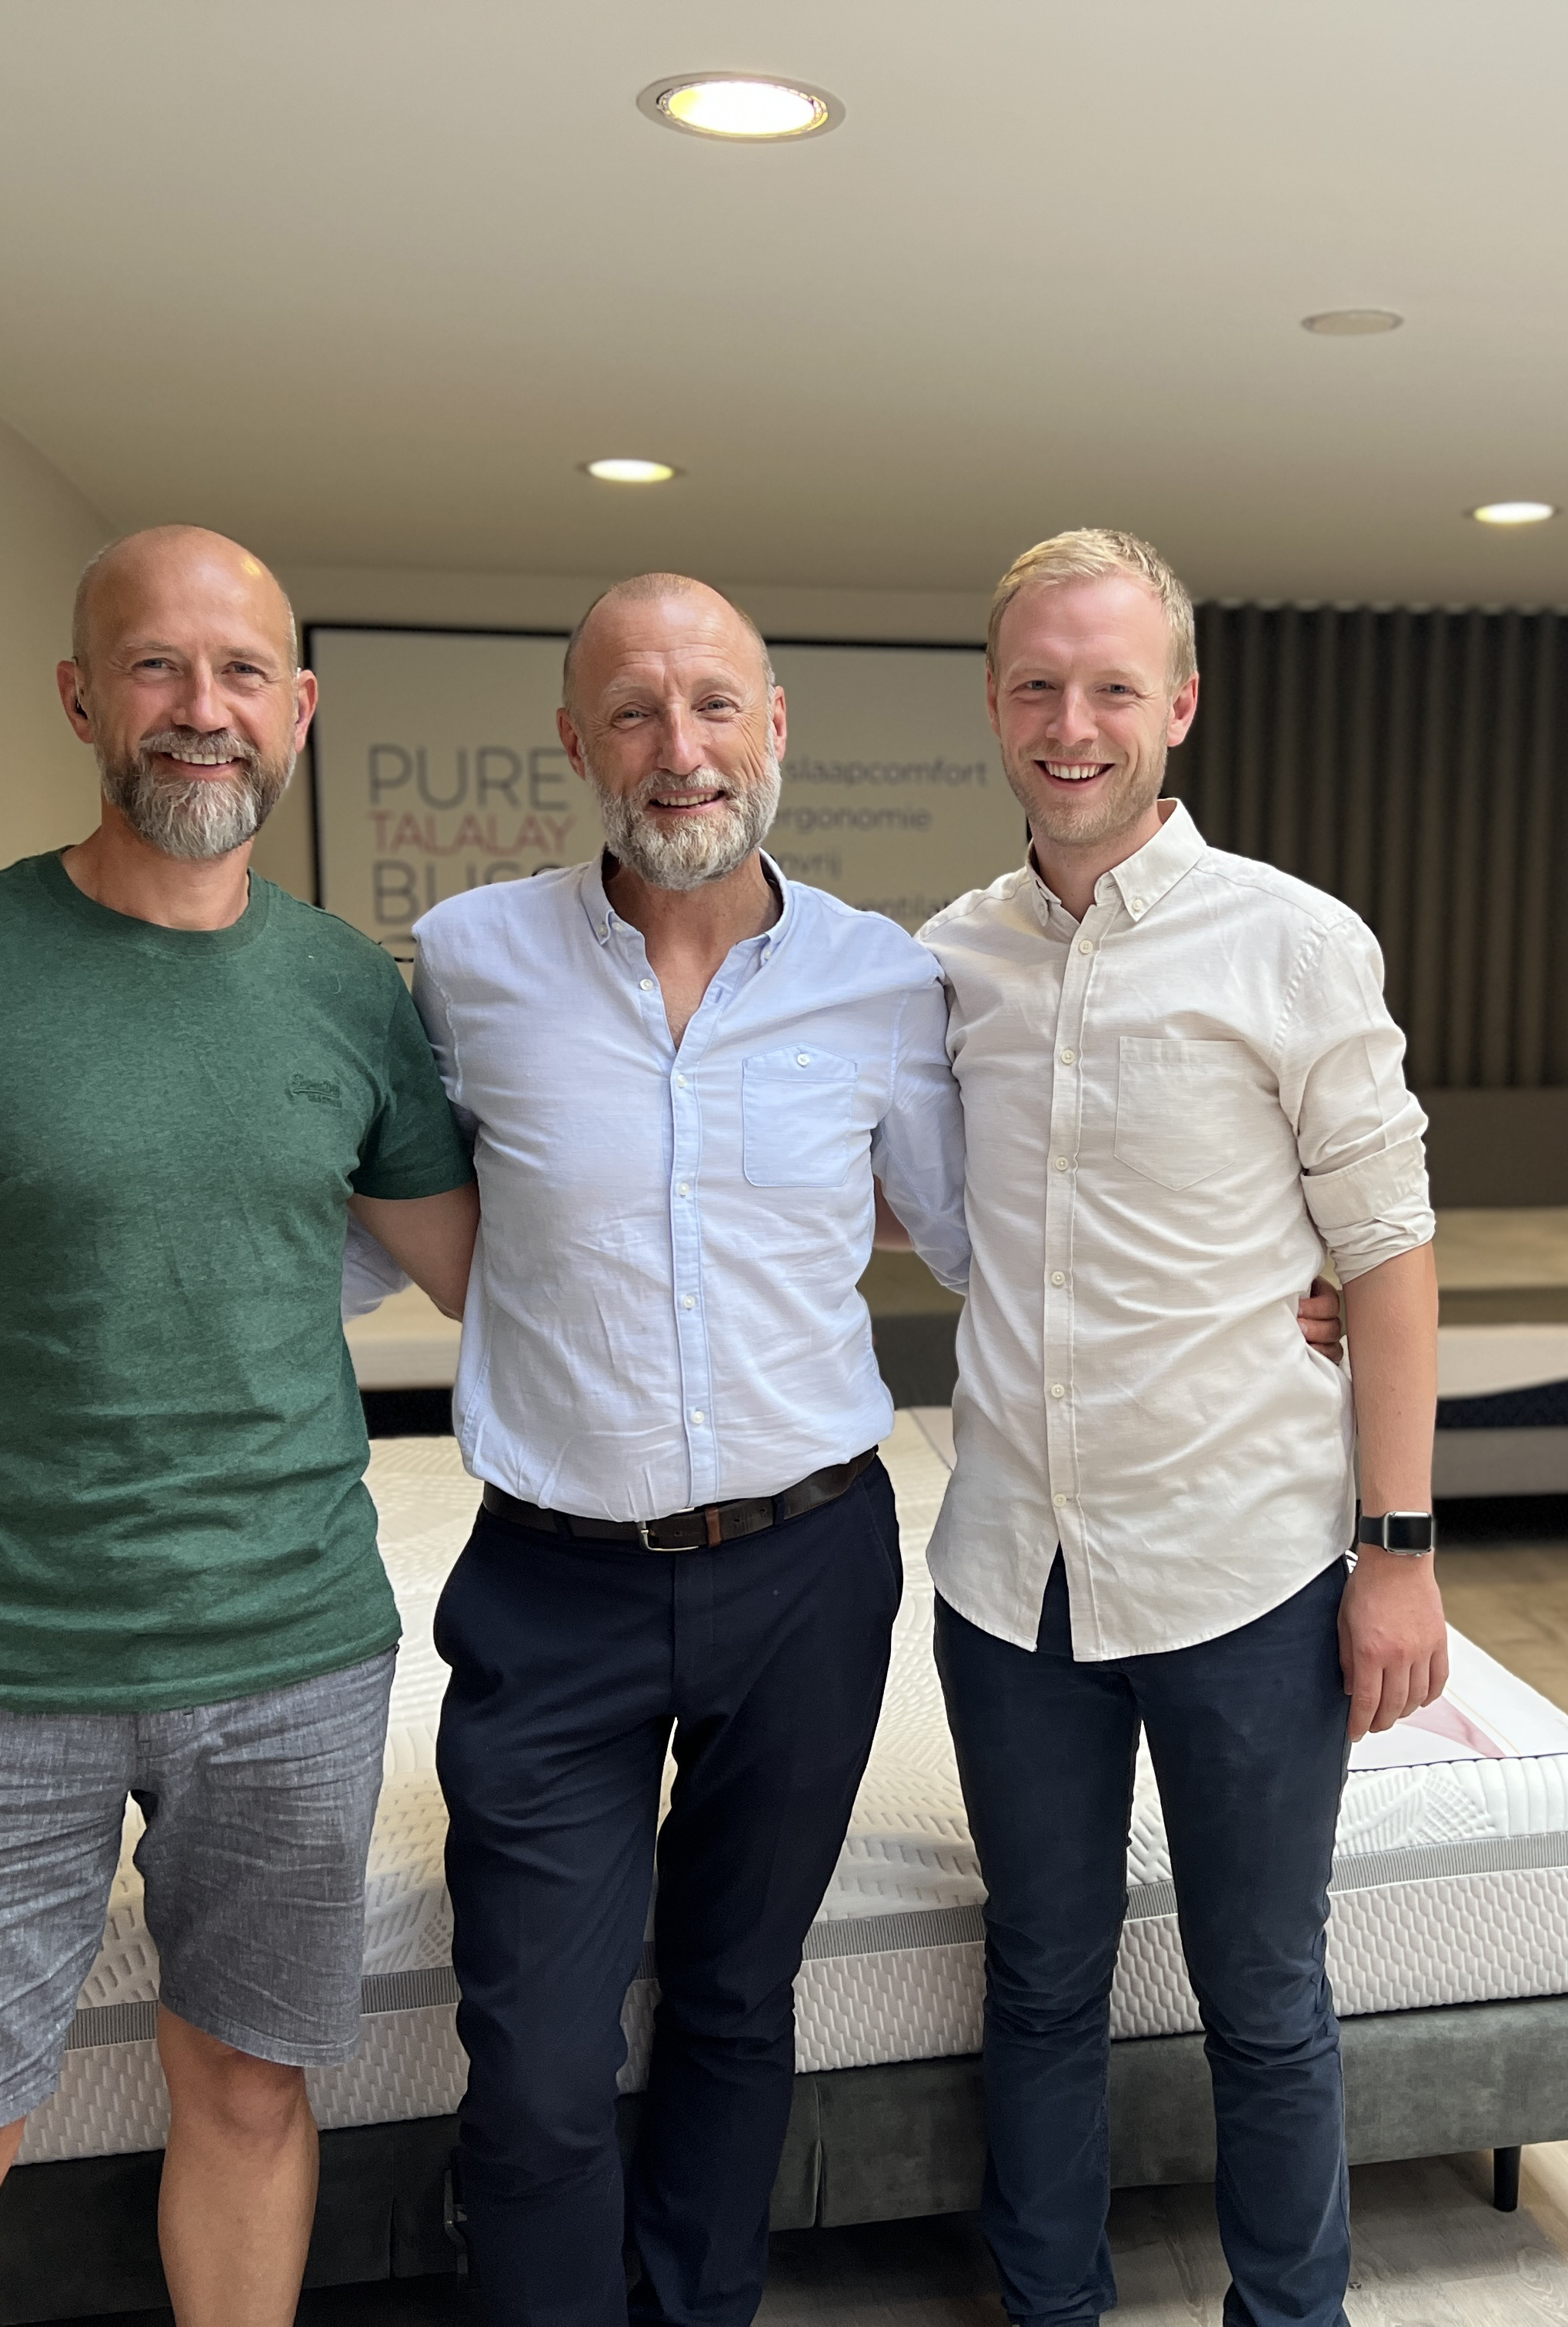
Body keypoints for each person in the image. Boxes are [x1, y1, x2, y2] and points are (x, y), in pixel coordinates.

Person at [364, 573, 1350, 2327]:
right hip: (553, 1585)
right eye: (637, 712)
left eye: (715, 707)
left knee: (739, 2004)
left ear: (775, 728)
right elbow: (376, 1197)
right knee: (535, 2058)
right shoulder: (465, 963)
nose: (681, 750)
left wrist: (1277, 1283)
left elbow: (993, 1232)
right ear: (578, 741)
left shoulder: (886, 981)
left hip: (806, 1578)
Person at [0, 525, 478, 2327]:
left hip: (295, 1652)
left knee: (250, 2093)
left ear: (299, 708)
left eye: (241, 673)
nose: (201, 709)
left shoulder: (348, 992)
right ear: (83, 698)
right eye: (157, 666)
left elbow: (491, 1268)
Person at [920, 529, 1443, 2327]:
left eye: (1112, 688)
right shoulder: (947, 963)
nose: (1074, 724)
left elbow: (1388, 1254)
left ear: (1180, 707)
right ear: (997, 704)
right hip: (1013, 1581)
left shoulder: (1295, 944)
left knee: (1266, 1997)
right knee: (1040, 1985)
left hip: (1249, 1571)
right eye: (1040, 687)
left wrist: (1398, 1555)